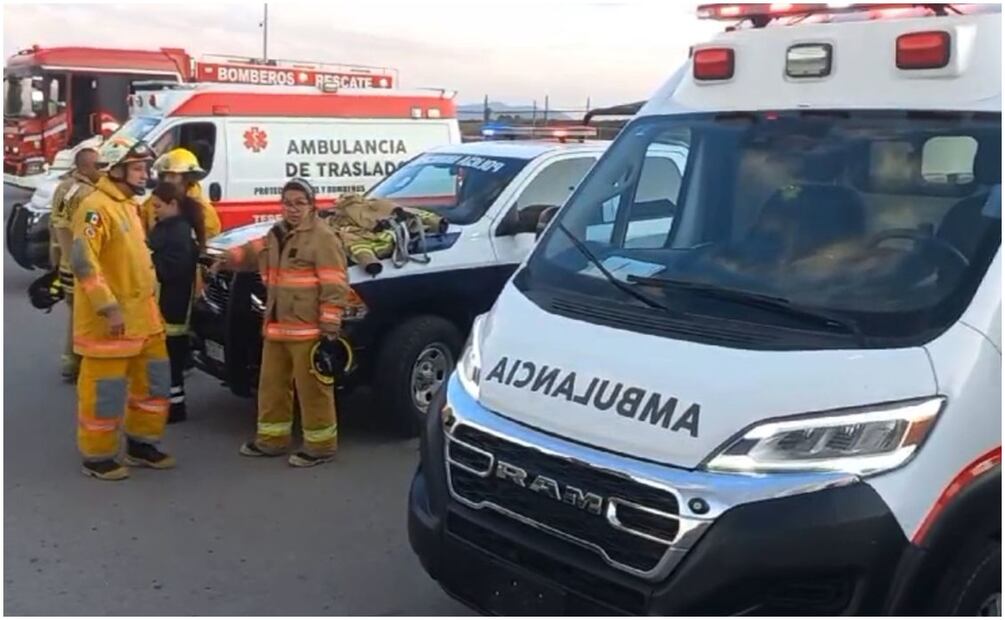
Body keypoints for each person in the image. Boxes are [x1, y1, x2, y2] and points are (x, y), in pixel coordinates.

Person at [213, 178, 349, 467]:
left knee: (313, 390)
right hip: (276, 327)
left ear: (312, 205)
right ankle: (272, 441)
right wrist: (229, 257)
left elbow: (335, 286)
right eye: (288, 203)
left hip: (308, 330)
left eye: (300, 202)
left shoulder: (323, 238)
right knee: (271, 387)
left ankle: (320, 447)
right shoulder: (277, 233)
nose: (293, 208)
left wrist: (329, 328)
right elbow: (254, 251)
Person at [70, 136, 175, 481]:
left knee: (154, 386)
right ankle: (97, 458)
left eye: (145, 167)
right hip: (111, 324)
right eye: (137, 168)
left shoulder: (127, 204)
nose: (145, 175)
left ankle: (142, 445)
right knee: (105, 395)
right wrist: (108, 308)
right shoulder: (95, 207)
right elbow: (85, 263)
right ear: (115, 170)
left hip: (145, 321)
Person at [147, 182, 205, 425]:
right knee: (170, 360)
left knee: (169, 359)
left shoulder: (178, 231)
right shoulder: (173, 227)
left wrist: (147, 261)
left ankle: (173, 408)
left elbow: (174, 269)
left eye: (158, 206)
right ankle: (171, 405)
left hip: (172, 305)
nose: (154, 211)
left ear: (173, 204)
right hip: (172, 303)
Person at [49, 146, 101, 381]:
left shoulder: (62, 188)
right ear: (84, 167)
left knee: (74, 315)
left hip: (66, 266)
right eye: (96, 166)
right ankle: (78, 361)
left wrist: (55, 263)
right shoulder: (88, 195)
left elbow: (55, 226)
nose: (101, 170)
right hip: (82, 267)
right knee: (86, 318)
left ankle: (70, 360)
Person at [141, 147, 221, 238]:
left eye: (172, 176)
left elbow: (209, 241)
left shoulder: (204, 211)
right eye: (164, 176)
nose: (167, 180)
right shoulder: (150, 204)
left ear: (187, 179)